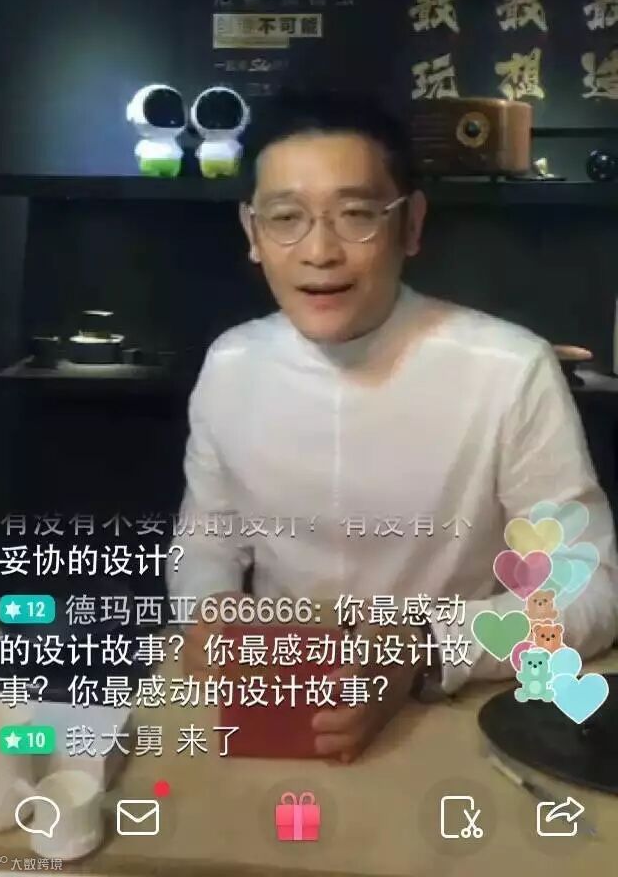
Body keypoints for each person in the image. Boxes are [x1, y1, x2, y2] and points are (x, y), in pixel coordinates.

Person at [167, 91, 618, 762]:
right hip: (279, 702)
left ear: (411, 224)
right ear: (252, 233)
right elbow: (205, 540)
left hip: (450, 713)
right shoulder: (230, 365)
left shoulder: (508, 369)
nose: (319, 251)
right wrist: (208, 608)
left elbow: (588, 589)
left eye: (355, 215)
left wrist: (424, 647)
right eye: (286, 218)